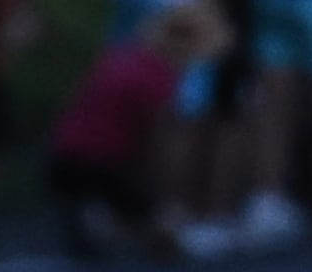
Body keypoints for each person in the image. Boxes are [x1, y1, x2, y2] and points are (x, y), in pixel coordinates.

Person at [48, 1, 225, 254]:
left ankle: (99, 217)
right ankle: (124, 222)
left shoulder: (123, 58)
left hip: (63, 156)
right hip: (102, 163)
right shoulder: (158, 76)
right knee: (154, 221)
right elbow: (156, 142)